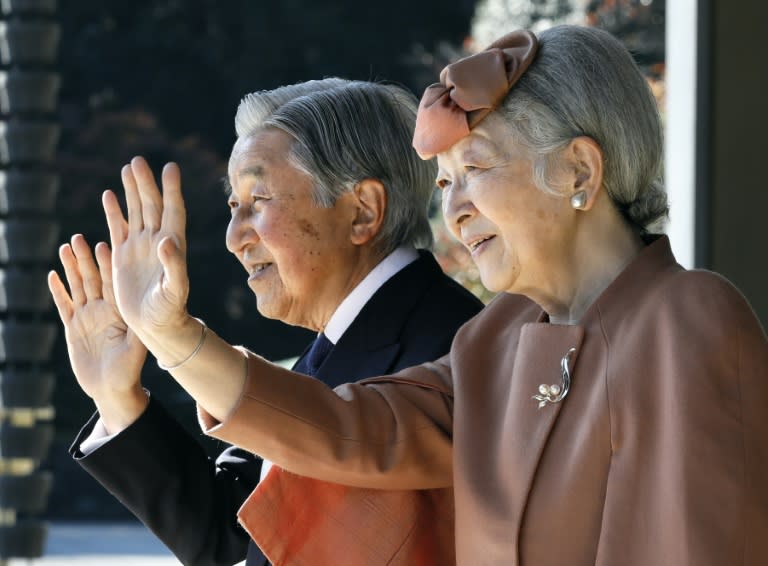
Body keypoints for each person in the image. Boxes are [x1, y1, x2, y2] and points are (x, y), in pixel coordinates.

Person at [57, 25, 768, 565]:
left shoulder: (686, 319)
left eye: (477, 168)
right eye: (447, 181)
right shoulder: (497, 341)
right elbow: (350, 430)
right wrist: (170, 335)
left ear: (579, 171)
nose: (452, 210)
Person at [52, 79, 484, 565]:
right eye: (233, 206)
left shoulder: (455, 348)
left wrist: (171, 336)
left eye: (259, 202)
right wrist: (117, 398)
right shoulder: (334, 348)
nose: (235, 237)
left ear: (363, 211)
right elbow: (233, 535)